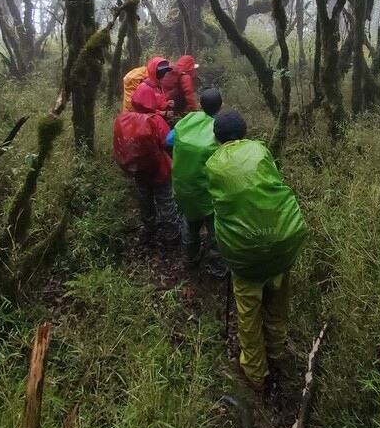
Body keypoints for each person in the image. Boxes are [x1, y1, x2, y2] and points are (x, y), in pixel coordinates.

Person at [206, 111, 307, 394]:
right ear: (245, 132)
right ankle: (276, 353)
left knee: (248, 314)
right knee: (277, 303)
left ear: (217, 138)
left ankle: (255, 372)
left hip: (244, 254)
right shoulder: (261, 150)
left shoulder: (214, 164)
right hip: (283, 240)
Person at [170, 88, 228, 277]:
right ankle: (217, 268)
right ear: (221, 106)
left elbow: (168, 141)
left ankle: (190, 259)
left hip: (183, 188)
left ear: (200, 104)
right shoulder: (219, 129)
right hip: (207, 194)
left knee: (190, 224)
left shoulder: (187, 120)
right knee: (215, 232)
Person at [112, 103, 181, 247]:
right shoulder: (155, 120)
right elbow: (167, 142)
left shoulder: (124, 119)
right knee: (165, 200)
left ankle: (150, 229)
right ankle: (172, 236)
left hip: (138, 169)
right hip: (159, 169)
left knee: (145, 199)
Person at [131, 56, 175, 122]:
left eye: (164, 72)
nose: (163, 74)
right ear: (154, 72)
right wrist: (163, 113)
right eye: (161, 72)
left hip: (156, 120)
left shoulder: (158, 85)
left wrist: (166, 104)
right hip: (144, 123)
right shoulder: (144, 88)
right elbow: (146, 111)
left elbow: (158, 103)